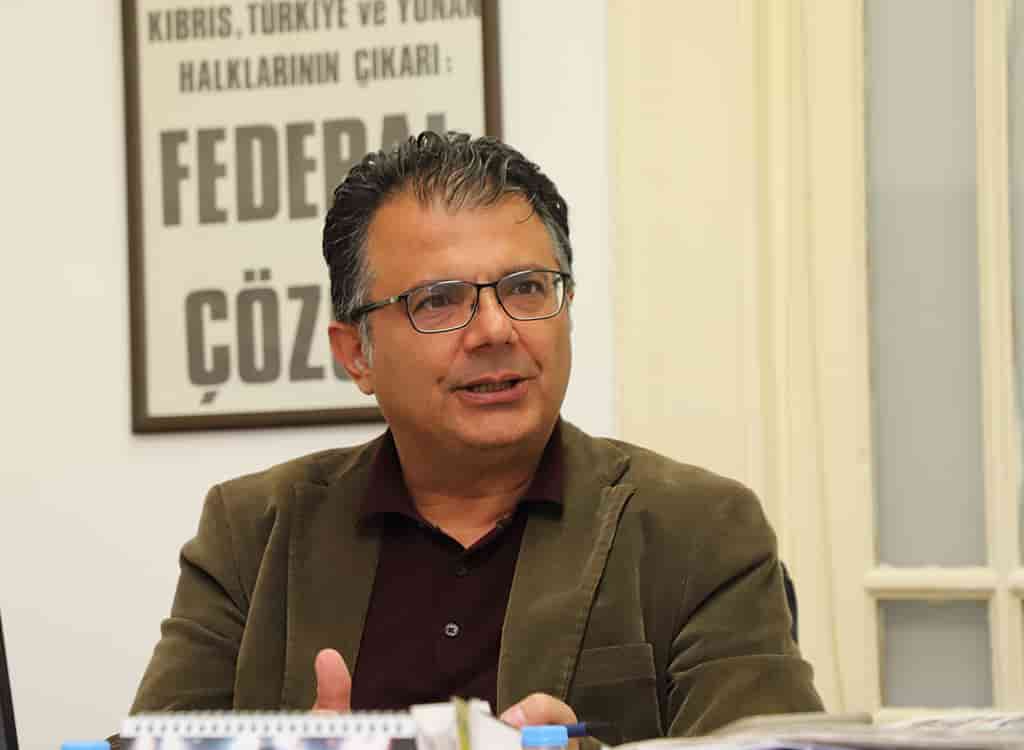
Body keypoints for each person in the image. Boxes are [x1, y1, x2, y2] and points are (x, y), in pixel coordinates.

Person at [131, 131, 823, 743]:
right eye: (438, 301)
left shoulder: (700, 530)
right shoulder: (253, 534)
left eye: (526, 288)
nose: (495, 329)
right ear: (356, 354)